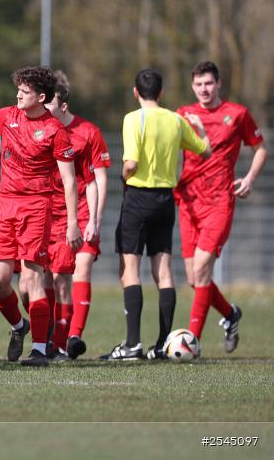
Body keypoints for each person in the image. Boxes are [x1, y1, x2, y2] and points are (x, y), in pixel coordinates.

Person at [0, 64, 81, 367]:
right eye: (18, 90)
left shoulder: (55, 130)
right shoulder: (7, 116)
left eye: (25, 91)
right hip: (6, 207)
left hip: (36, 207)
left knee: (33, 278)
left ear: (41, 97)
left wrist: (72, 223)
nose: (18, 95)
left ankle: (39, 350)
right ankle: (20, 326)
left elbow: (70, 181)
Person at [103, 67, 211, 360]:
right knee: (163, 271)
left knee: (130, 269)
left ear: (135, 92)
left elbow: (131, 163)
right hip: (165, 200)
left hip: (138, 198)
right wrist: (201, 130)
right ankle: (163, 344)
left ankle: (132, 344)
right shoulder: (176, 120)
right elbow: (205, 151)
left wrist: (124, 177)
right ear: (161, 92)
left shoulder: (133, 119)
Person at [176, 61, 265, 352]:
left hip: (219, 202)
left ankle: (191, 342)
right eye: (198, 84)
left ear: (219, 84)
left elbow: (260, 149)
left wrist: (249, 178)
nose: (204, 89)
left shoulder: (237, 114)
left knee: (202, 268)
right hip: (188, 202)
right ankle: (230, 314)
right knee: (193, 277)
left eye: (208, 83)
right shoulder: (183, 115)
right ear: (192, 86)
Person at [43, 71, 109, 361]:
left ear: (63, 104)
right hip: (51, 215)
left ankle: (72, 337)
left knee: (81, 268)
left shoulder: (88, 132)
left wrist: (95, 219)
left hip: (81, 212)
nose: (44, 107)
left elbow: (97, 179)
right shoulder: (40, 131)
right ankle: (51, 341)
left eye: (49, 101)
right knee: (54, 279)